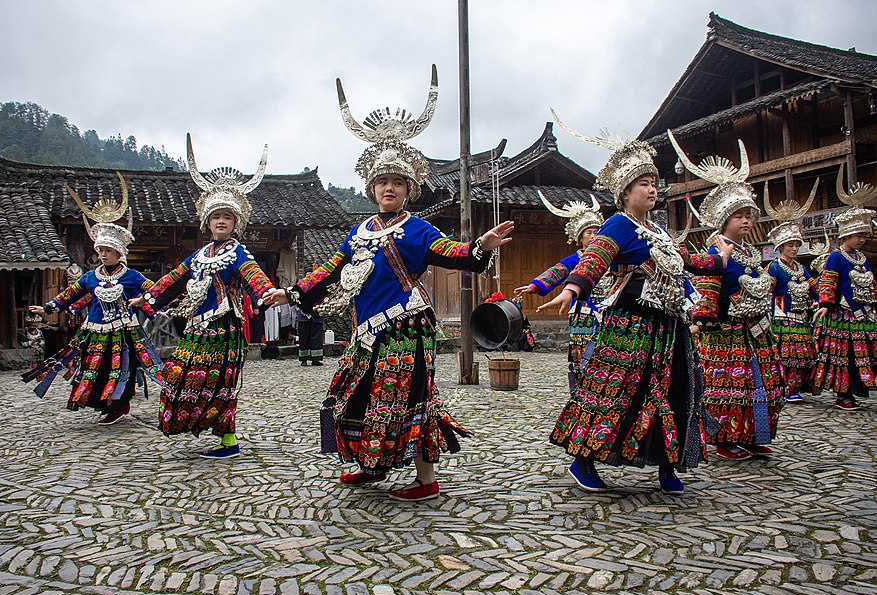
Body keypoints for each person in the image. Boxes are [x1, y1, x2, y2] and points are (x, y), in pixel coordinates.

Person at [272, 65, 514, 501]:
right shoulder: (359, 230)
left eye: (396, 182)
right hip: (366, 332)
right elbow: (329, 269)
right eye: (381, 181)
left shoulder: (418, 230)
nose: (388, 188)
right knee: (358, 395)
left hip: (405, 326)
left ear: (408, 189)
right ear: (371, 187)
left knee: (407, 399)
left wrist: (481, 245)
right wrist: (290, 292)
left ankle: (426, 481)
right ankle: (374, 464)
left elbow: (454, 255)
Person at [538, 114, 729, 496]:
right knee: (614, 391)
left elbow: (685, 262)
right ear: (625, 192)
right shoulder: (619, 225)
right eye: (644, 184)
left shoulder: (660, 231)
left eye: (654, 183)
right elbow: (595, 258)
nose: (652, 190)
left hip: (670, 329)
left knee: (677, 391)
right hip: (630, 327)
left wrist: (719, 259)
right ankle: (584, 459)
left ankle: (668, 464)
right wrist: (572, 288)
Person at [129, 135, 278, 458]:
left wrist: (269, 293)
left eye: (227, 216)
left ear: (236, 223)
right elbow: (173, 280)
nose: (221, 221)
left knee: (220, 383)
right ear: (206, 222)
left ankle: (228, 441)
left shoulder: (238, 252)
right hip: (197, 327)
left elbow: (255, 276)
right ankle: (202, 426)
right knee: (181, 375)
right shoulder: (198, 256)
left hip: (224, 328)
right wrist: (148, 298)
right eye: (216, 217)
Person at [670, 132, 786, 462]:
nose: (746, 221)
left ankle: (752, 436)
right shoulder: (715, 253)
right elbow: (707, 293)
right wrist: (701, 323)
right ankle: (725, 438)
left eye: (749, 216)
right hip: (725, 334)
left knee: (760, 385)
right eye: (739, 216)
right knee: (729, 388)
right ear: (724, 221)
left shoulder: (749, 253)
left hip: (756, 331)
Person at [23, 173, 163, 425]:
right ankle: (103, 402)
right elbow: (70, 295)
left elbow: (155, 289)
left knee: (122, 367)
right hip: (95, 330)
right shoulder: (90, 277)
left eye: (108, 251)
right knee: (95, 367)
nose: (103, 255)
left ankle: (119, 404)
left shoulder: (131, 276)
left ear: (119, 252)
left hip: (123, 331)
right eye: (100, 251)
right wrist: (47, 308)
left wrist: (145, 300)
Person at [514, 192, 606, 389]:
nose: (593, 236)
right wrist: (534, 286)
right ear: (580, 237)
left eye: (597, 231)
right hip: (584, 313)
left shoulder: (610, 258)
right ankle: (580, 388)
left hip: (608, 311)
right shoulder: (576, 259)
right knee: (582, 354)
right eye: (588, 232)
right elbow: (557, 272)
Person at [810, 165, 877, 411]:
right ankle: (843, 394)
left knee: (864, 354)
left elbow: (871, 282)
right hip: (843, 316)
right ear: (846, 235)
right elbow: (828, 281)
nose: (862, 239)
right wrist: (826, 304)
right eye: (858, 235)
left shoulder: (862, 258)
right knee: (845, 357)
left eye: (864, 236)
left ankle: (858, 390)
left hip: (864, 314)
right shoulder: (836, 257)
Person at [764, 180, 820, 402]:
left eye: (797, 245)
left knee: (802, 353)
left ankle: (796, 387)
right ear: (780, 248)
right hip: (782, 316)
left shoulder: (802, 268)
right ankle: (785, 387)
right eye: (790, 246)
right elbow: (767, 292)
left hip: (801, 316)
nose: (794, 249)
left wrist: (824, 298)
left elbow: (814, 288)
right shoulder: (774, 267)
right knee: (786, 353)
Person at [296, 274, 325, 366]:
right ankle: (304, 359)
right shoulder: (301, 287)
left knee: (316, 337)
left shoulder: (320, 287)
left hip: (316, 314)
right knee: (304, 337)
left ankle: (315, 359)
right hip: (304, 315)